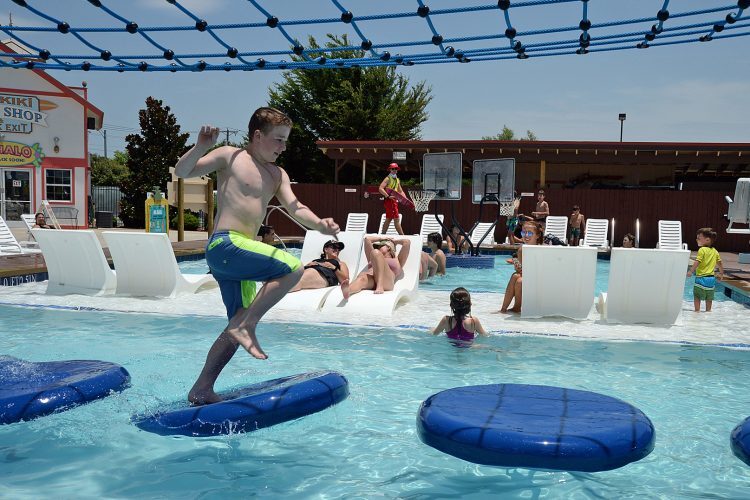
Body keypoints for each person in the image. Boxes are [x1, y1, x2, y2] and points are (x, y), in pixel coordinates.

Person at [175, 107, 340, 405]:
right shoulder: (231, 156)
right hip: (225, 245)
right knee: (292, 266)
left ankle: (201, 388)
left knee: (234, 328)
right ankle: (247, 324)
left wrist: (320, 224)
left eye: (285, 141)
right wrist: (201, 146)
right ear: (257, 135)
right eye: (278, 140)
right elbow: (182, 172)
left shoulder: (277, 174)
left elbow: (296, 207)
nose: (283, 147)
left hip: (240, 258)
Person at [498, 220, 543, 313]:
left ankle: (517, 307)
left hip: (540, 278)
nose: (526, 235)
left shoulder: (541, 249)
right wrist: (518, 267)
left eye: (530, 233)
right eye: (524, 232)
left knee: (519, 281)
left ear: (537, 236)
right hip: (528, 275)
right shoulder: (521, 250)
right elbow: (521, 270)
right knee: (515, 276)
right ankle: (503, 309)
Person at [346, 235, 410, 297]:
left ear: (388, 247)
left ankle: (380, 285)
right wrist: (381, 239)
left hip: (386, 282)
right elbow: (367, 239)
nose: (378, 248)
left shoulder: (398, 260)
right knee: (361, 279)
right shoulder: (373, 256)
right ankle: (347, 290)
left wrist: (395, 242)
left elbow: (407, 242)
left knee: (375, 252)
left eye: (380, 246)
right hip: (372, 280)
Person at [686, 227, 725, 313]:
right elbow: (720, 263)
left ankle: (697, 311)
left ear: (707, 240)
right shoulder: (715, 251)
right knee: (709, 297)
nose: (697, 239)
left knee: (697, 296)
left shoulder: (702, 250)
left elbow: (697, 261)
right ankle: (708, 311)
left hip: (701, 278)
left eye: (699, 238)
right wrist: (721, 273)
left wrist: (691, 271)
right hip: (711, 279)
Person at [379, 163, 406, 235]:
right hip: (389, 201)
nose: (394, 170)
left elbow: (400, 191)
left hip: (394, 201)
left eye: (395, 169)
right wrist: (387, 196)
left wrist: (405, 199)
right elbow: (380, 188)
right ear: (390, 170)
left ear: (397, 170)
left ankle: (382, 234)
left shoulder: (397, 180)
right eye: (392, 169)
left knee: (389, 218)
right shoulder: (387, 178)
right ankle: (402, 236)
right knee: (396, 219)